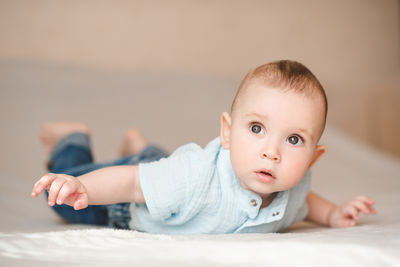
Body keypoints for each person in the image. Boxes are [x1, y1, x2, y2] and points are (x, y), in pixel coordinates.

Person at [31, 60, 376, 234]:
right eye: (256, 128)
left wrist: (333, 214)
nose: (272, 152)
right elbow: (134, 183)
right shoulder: (195, 175)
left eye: (294, 139)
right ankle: (72, 138)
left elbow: (304, 201)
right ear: (227, 132)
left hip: (168, 182)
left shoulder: (291, 185)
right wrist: (81, 187)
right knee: (62, 199)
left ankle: (144, 147)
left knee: (159, 165)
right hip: (127, 202)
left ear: (314, 158)